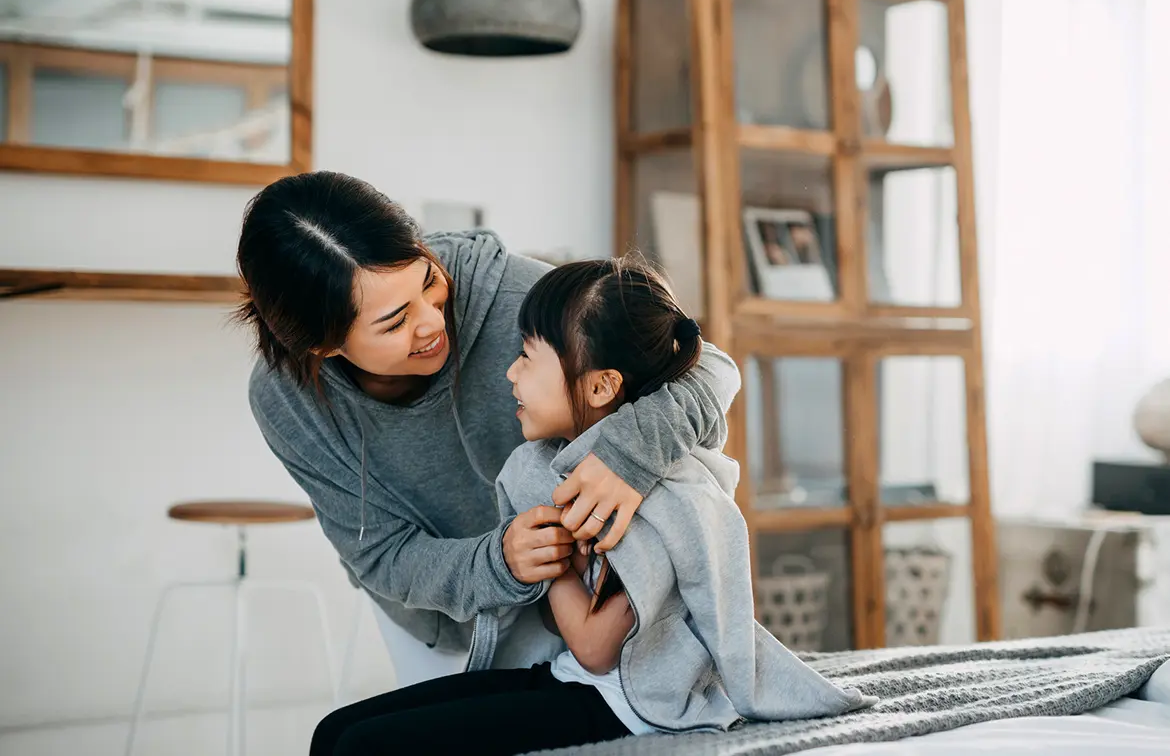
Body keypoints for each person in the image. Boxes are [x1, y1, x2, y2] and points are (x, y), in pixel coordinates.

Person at [310, 258, 873, 755]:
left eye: (528, 357)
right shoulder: (562, 466)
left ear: (601, 387)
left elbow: (598, 646)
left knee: (362, 745)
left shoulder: (651, 500)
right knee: (333, 731)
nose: (510, 373)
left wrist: (548, 557)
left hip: (629, 705)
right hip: (574, 680)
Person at [235, 171, 741, 665]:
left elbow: (707, 366)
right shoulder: (286, 400)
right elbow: (380, 554)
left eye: (429, 280)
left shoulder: (515, 291)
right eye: (395, 322)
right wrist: (499, 562)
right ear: (323, 346)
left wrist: (629, 455)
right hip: (436, 619)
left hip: (580, 603)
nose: (432, 321)